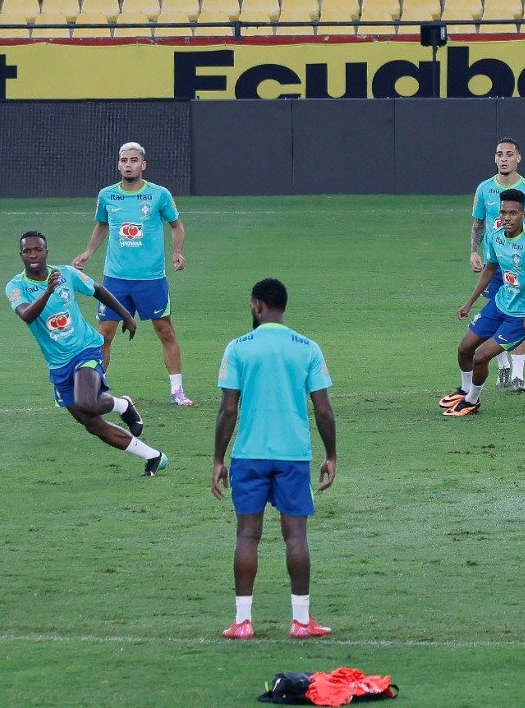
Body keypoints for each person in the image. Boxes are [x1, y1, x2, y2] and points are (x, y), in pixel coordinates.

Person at [212, 278, 336, 640]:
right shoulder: (307, 348)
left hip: (248, 455)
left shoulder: (237, 348)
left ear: (256, 306)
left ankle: (243, 622)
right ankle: (300, 621)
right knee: (295, 535)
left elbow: (228, 410)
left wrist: (218, 458)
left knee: (247, 535)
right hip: (293, 455)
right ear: (283, 305)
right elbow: (324, 411)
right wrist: (331, 454)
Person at [10, 231, 169, 477]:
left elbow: (98, 290)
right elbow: (27, 315)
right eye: (27, 251)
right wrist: (48, 292)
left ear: (46, 252)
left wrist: (126, 315)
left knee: (87, 401)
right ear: (21, 255)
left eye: (37, 249)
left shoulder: (66, 273)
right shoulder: (16, 286)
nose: (33, 255)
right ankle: (153, 455)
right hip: (57, 363)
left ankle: (123, 405)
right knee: (92, 423)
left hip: (86, 349)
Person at [73, 142, 192, 406]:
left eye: (134, 160)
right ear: (118, 164)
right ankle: (97, 390)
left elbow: (177, 225)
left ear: (143, 164)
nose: (129, 164)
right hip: (115, 279)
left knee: (165, 331)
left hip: (151, 279)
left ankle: (177, 391)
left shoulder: (159, 195)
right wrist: (88, 252)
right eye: (124, 160)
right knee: (103, 334)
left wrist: (178, 251)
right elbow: (102, 225)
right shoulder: (106, 195)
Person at [442, 189, 525, 417]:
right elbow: (490, 268)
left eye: (513, 213)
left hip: (522, 315)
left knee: (480, 357)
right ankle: (464, 389)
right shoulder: (495, 236)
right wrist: (470, 302)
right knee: (464, 349)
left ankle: (472, 400)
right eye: (503, 212)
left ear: (523, 214)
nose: (507, 217)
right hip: (500, 304)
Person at [454, 137, 525, 396]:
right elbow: (478, 224)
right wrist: (474, 251)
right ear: (495, 158)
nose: (504, 158)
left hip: (519, 266)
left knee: (518, 314)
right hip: (494, 265)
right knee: (496, 313)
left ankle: (517, 374)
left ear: (519, 158)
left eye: (509, 154)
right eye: (499, 154)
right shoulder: (484, 189)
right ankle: (502, 364)